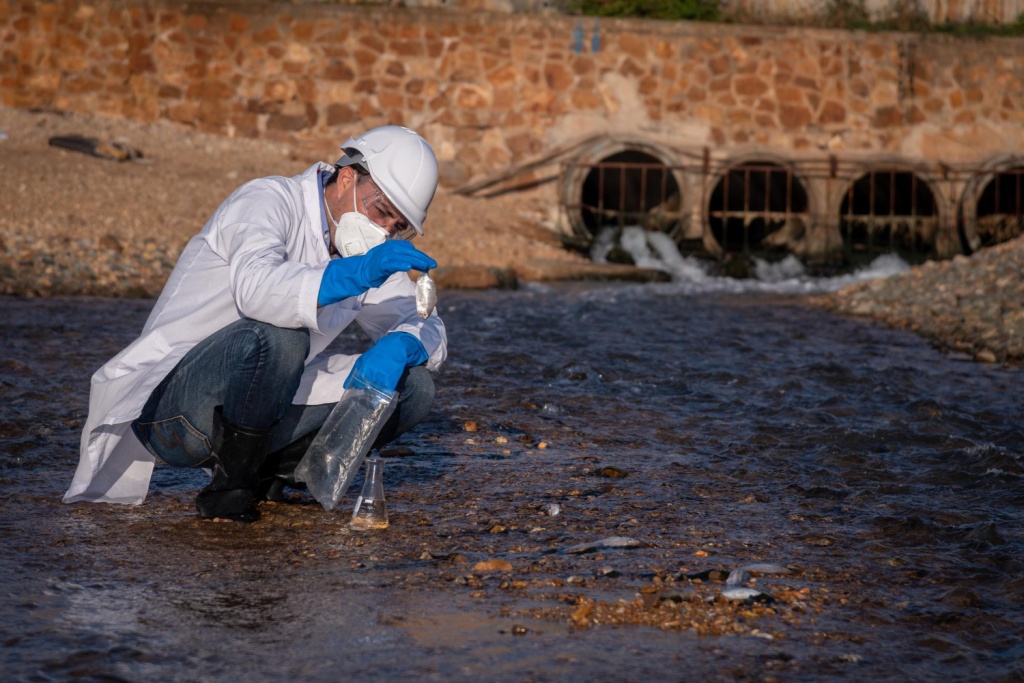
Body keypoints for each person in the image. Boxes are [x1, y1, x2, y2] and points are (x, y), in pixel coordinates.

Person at [63, 125, 447, 522]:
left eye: (398, 226)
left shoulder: (369, 251)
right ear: (347, 177)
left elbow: (427, 325)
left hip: (258, 407)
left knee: (412, 386)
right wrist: (353, 274)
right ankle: (230, 490)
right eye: (382, 211)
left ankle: (275, 475)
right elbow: (258, 290)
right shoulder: (266, 200)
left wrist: (402, 343)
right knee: (279, 337)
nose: (386, 230)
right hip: (174, 411)